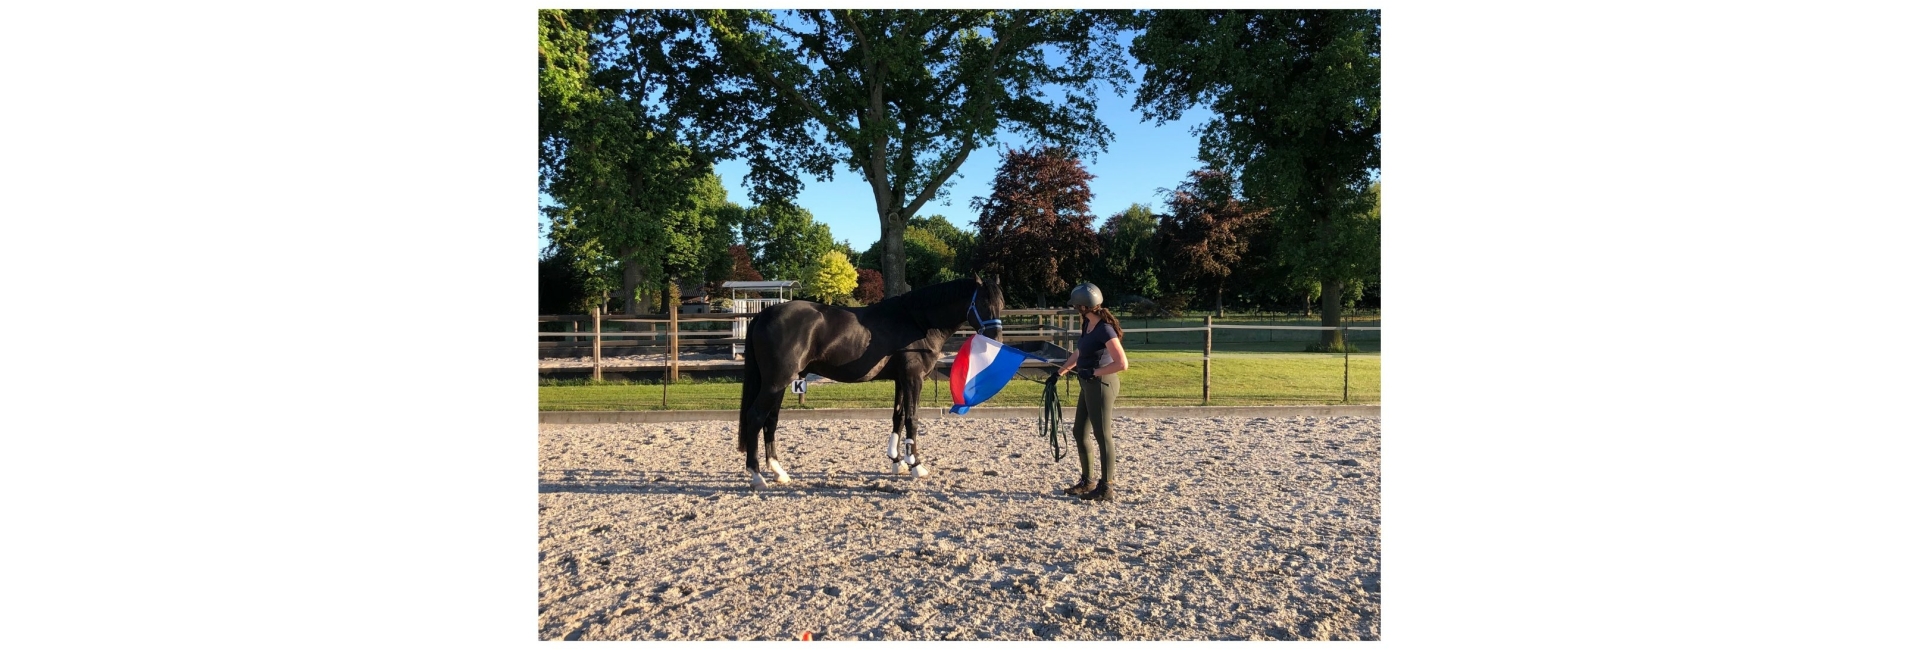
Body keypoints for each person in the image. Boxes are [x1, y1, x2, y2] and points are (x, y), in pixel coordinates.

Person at [1049, 282, 1129, 502]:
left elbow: (1122, 363)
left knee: (1103, 436)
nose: (1075, 309)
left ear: (1084, 307)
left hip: (1102, 385)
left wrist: (1094, 371)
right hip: (1088, 383)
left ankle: (1106, 487)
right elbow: (1080, 351)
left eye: (1076, 306)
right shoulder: (1088, 324)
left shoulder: (1105, 329)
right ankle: (1088, 481)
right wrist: (1061, 372)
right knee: (1079, 432)